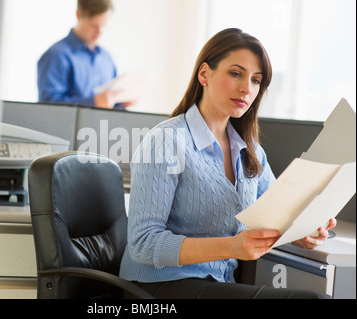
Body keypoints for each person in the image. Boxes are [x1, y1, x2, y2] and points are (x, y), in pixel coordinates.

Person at [119, 28, 336, 299]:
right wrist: (231, 247)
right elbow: (143, 243)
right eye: (236, 73)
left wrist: (299, 231)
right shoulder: (166, 142)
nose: (247, 88)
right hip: (156, 288)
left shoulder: (250, 150)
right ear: (204, 75)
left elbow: (276, 213)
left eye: (256, 80)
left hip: (217, 283)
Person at [37, 0, 124, 108]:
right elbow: (48, 106)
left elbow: (110, 103)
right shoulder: (56, 55)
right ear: (79, 15)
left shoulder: (106, 58)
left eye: (103, 25)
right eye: (94, 25)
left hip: (103, 125)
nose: (99, 32)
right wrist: (93, 102)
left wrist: (121, 102)